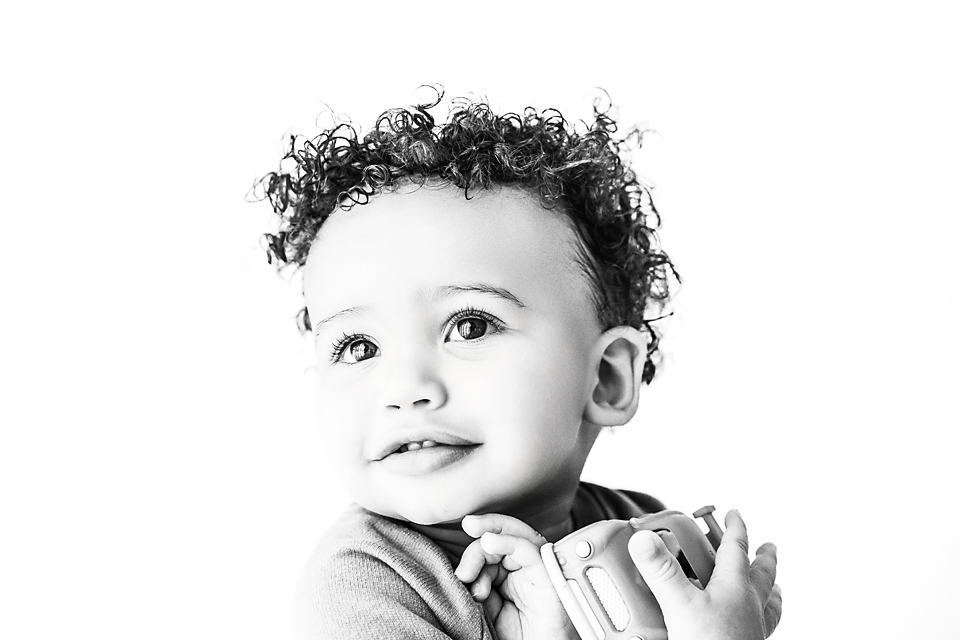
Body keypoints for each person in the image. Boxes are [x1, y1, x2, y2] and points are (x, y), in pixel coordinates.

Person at [255, 89, 782, 640]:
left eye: (470, 326)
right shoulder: (363, 588)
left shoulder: (644, 536)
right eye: (358, 347)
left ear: (606, 379)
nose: (405, 387)